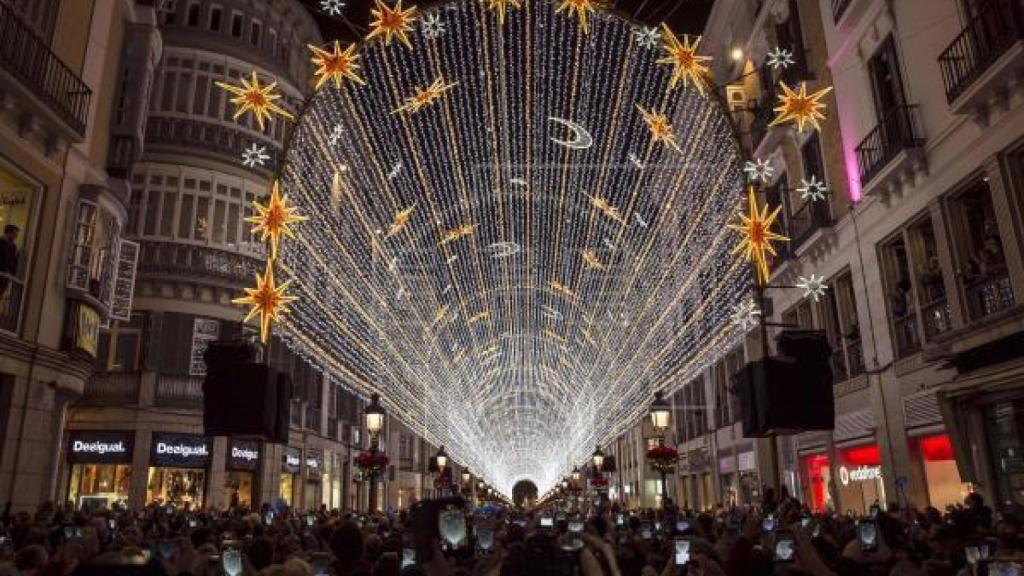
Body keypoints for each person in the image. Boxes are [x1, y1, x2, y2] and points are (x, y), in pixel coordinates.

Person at [0, 224, 18, 297]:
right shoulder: (0, 243)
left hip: (5, 277)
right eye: (14, 234)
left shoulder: (13, 247)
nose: (15, 236)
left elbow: (12, 261)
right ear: (8, 233)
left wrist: (11, 272)